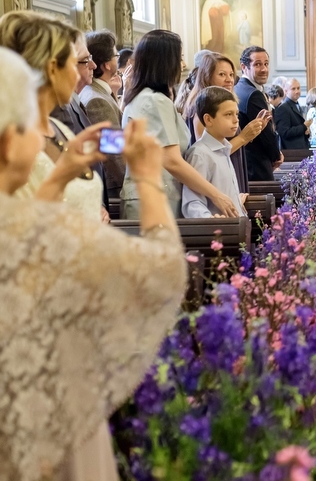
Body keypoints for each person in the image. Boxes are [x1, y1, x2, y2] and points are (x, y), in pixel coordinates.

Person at [0, 45, 186, 481]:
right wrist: (146, 175)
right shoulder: (49, 239)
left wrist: (61, 173)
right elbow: (161, 274)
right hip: (52, 434)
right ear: (10, 140)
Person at [0, 11, 107, 219]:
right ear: (52, 69)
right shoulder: (15, 142)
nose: (77, 73)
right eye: (73, 62)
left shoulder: (61, 129)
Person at [122, 30, 239, 219]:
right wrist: (216, 195)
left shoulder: (140, 97)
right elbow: (172, 161)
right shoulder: (155, 101)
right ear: (165, 62)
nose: (182, 64)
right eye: (179, 58)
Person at [182, 51, 267, 192]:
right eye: (222, 74)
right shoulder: (200, 108)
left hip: (231, 166)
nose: (229, 80)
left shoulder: (227, 103)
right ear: (207, 77)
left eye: (231, 75)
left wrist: (252, 133)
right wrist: (243, 137)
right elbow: (206, 154)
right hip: (216, 179)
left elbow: (224, 143)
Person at [183, 87, 245, 218]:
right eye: (228, 114)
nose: (236, 120)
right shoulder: (200, 154)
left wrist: (236, 200)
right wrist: (209, 219)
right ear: (208, 119)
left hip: (237, 228)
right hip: (220, 231)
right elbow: (192, 202)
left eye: (236, 114)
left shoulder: (224, 149)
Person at [82, 29, 125, 198]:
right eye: (116, 56)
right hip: (115, 190)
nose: (117, 59)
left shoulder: (100, 93)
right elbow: (114, 153)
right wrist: (132, 187)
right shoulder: (97, 100)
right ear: (107, 64)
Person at [234, 46, 282, 181]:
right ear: (244, 67)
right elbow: (265, 133)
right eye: (257, 64)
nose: (264, 69)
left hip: (244, 165)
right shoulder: (253, 94)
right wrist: (276, 156)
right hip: (256, 167)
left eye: (266, 64)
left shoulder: (239, 89)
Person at [274, 78, 311, 150]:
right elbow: (284, 132)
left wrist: (306, 131)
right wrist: (304, 127)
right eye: (293, 89)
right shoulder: (283, 108)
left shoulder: (297, 105)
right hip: (292, 151)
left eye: (298, 88)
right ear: (286, 91)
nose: (297, 91)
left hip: (302, 148)